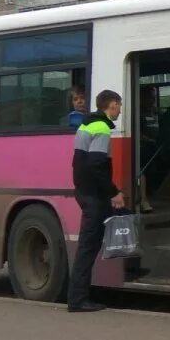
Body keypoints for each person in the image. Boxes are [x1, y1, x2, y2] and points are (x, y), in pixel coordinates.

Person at [68, 89, 124, 313]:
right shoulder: (101, 128)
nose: (120, 109)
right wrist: (114, 192)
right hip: (93, 194)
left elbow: (80, 162)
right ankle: (78, 299)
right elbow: (96, 164)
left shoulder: (86, 124)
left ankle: (79, 296)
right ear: (110, 106)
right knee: (88, 247)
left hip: (83, 191)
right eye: (119, 105)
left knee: (86, 247)